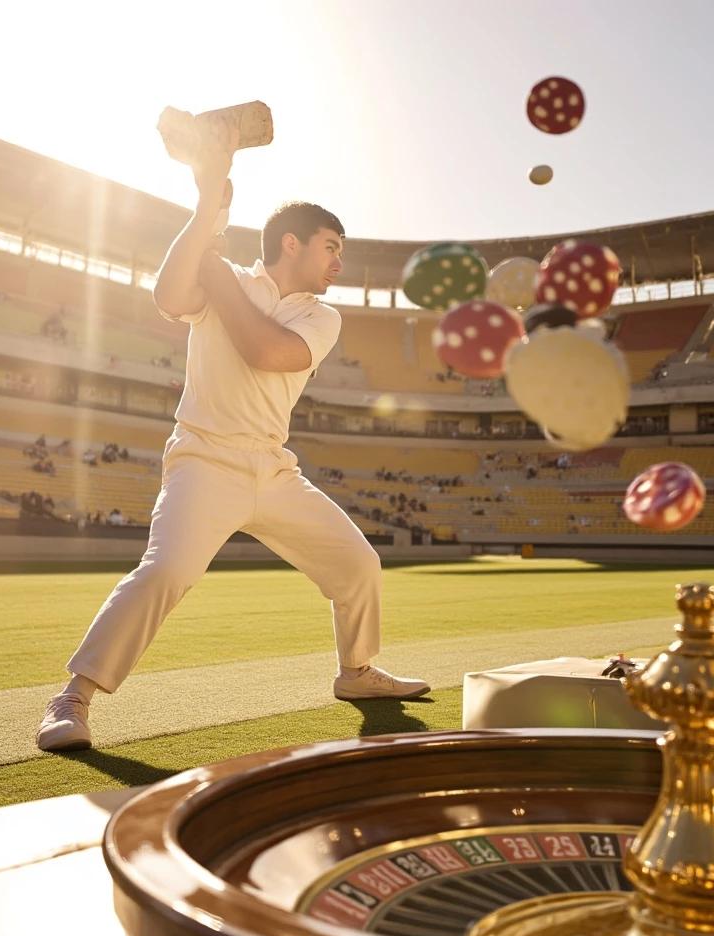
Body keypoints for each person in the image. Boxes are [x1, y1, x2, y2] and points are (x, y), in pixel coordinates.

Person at [36, 116, 428, 752]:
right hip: (204, 461)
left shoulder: (319, 316)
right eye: (331, 246)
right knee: (165, 571)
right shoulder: (230, 278)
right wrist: (206, 202)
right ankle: (71, 699)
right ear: (292, 243)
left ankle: (356, 673)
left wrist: (216, 274)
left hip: (273, 470)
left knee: (359, 564)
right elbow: (167, 295)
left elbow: (267, 352)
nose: (339, 261)